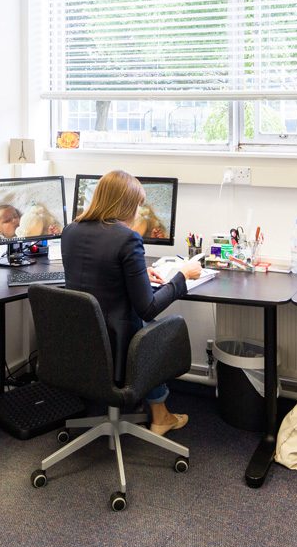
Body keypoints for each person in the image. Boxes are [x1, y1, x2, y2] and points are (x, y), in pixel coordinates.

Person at [61, 169, 201, 435]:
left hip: (77, 342)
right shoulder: (127, 238)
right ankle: (161, 416)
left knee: (142, 324)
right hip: (117, 346)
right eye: (137, 205)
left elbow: (96, 274)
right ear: (126, 205)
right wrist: (182, 276)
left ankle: (159, 413)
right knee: (152, 325)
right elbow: (147, 306)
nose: (139, 212)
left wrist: (137, 273)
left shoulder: (71, 231)